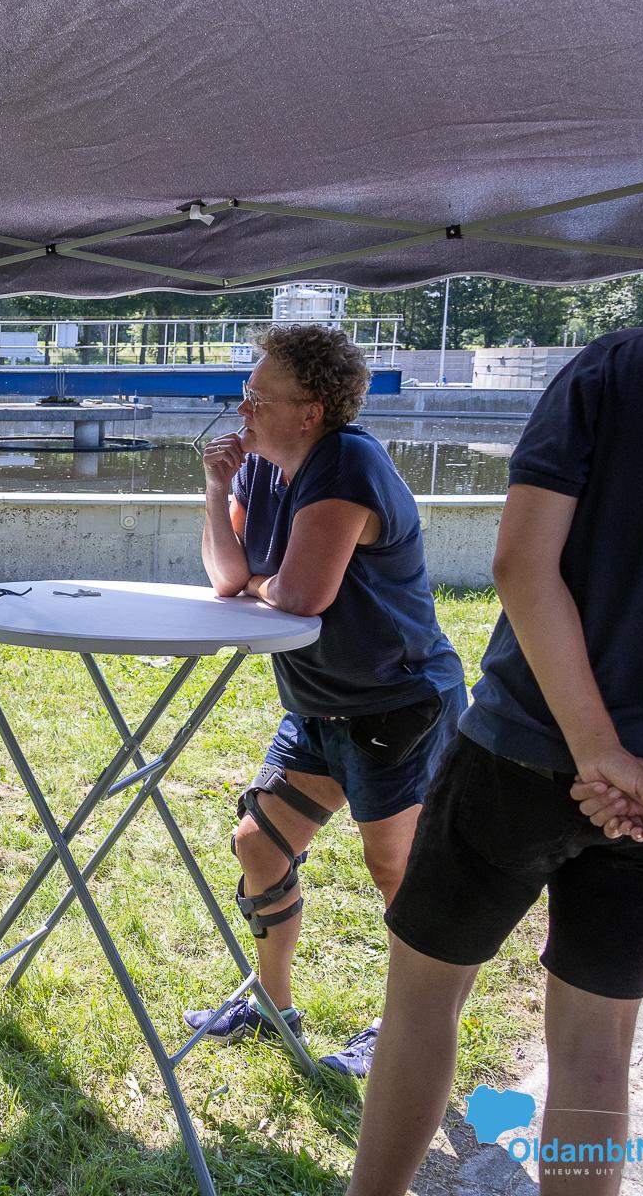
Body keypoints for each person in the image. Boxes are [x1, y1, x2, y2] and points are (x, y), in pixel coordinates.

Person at [348, 314, 643, 1196]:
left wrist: (596, 751)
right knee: (598, 1050)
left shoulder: (623, 365)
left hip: (519, 753)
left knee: (422, 1006)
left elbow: (521, 563)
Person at [187, 324, 467, 1077]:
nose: (243, 409)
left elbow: (303, 594)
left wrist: (263, 584)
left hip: (397, 705)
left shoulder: (346, 461)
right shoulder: (261, 469)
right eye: (244, 393)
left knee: (397, 872)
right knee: (259, 845)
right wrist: (216, 491)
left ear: (310, 411)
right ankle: (271, 1007)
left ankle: (407, 1028)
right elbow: (228, 577)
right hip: (321, 707)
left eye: (258, 396)